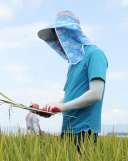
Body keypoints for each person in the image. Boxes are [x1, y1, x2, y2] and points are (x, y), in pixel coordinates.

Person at [38, 11, 108, 153]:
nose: (58, 42)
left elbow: (96, 93)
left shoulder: (94, 54)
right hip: (68, 127)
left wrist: (63, 107)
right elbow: (70, 94)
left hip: (84, 130)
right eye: (56, 38)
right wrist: (53, 108)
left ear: (71, 34)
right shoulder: (74, 63)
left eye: (60, 37)